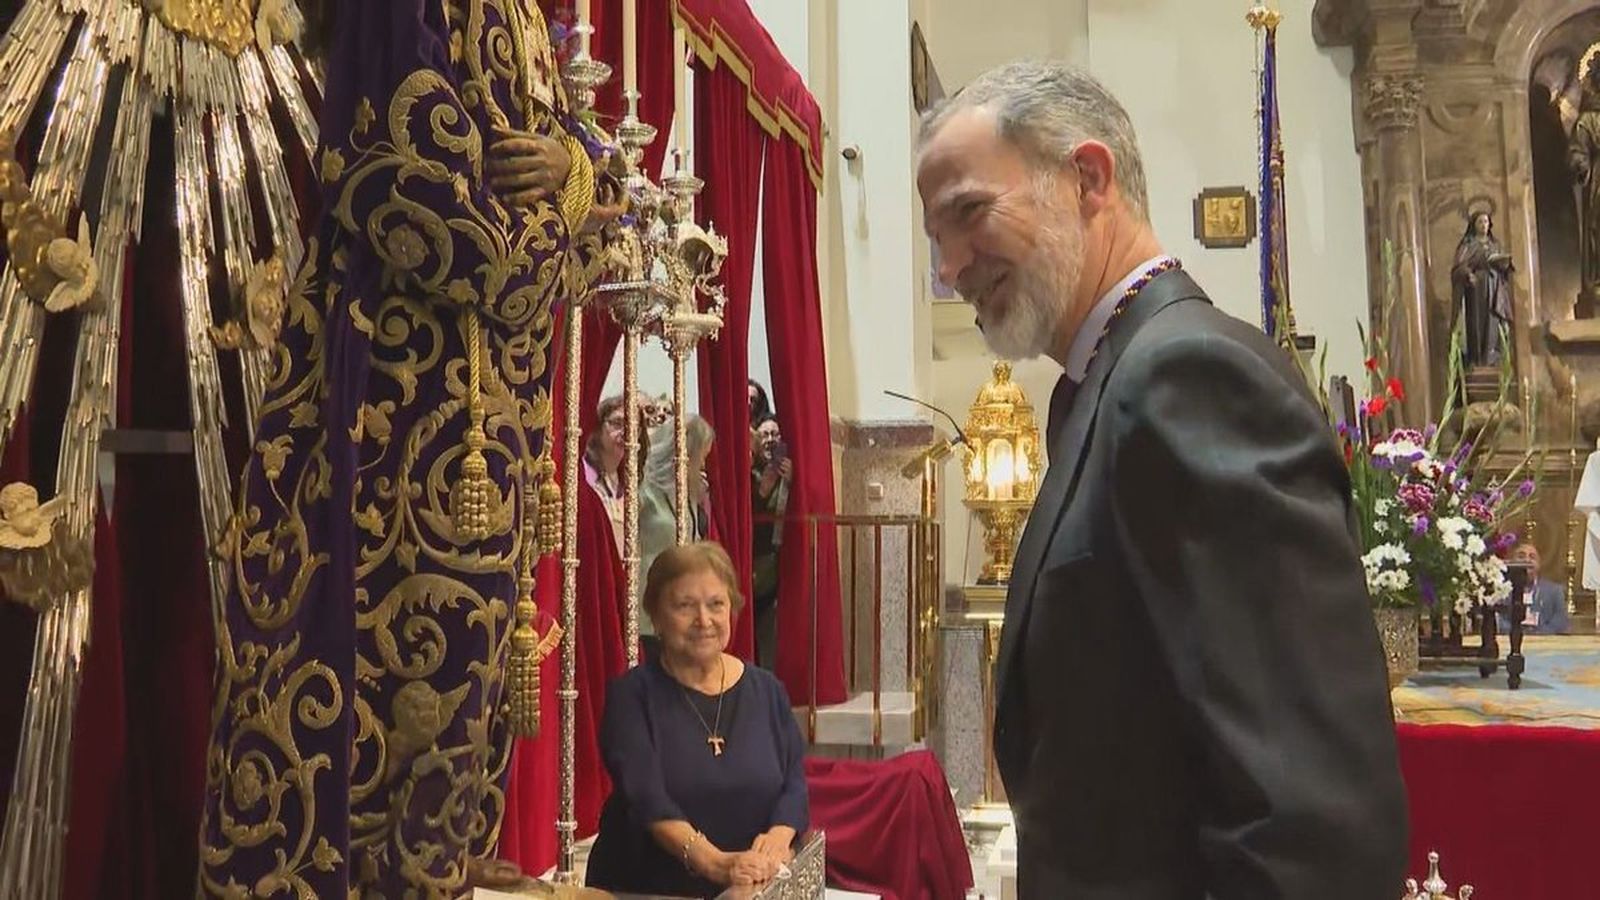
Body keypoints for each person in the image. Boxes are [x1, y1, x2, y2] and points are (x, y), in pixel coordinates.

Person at [916, 61, 1408, 897]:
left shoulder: (1187, 376)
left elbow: (1306, 816)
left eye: (969, 214)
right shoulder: (1107, 382)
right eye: (937, 238)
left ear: (1088, 178)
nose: (951, 266)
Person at [197, 1, 625, 895]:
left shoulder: (515, 15)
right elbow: (438, 222)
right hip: (395, 429)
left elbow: (605, 203)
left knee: (459, 744)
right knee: (388, 732)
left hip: (485, 438)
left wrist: (577, 176)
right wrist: (572, 211)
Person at [585, 542, 808, 897]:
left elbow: (794, 784)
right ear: (656, 616)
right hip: (648, 888)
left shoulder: (768, 691)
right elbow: (648, 800)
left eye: (716, 604)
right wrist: (718, 864)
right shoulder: (631, 697)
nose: (703, 621)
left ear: (732, 609)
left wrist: (776, 844)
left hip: (754, 887)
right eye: (685, 606)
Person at [750, 416, 791, 665]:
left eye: (774, 435)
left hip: (778, 565)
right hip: (754, 563)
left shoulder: (789, 474)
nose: (769, 441)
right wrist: (762, 490)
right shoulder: (752, 474)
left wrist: (790, 481)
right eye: (764, 435)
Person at [1451, 210, 1514, 368]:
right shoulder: (1468, 244)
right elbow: (1458, 268)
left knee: (1493, 324)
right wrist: (1468, 274)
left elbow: (1504, 268)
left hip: (1494, 288)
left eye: (1486, 221)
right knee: (1476, 324)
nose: (1484, 225)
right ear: (1474, 224)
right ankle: (1477, 359)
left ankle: (1491, 358)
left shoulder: (1495, 245)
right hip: (1476, 290)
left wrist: (1504, 265)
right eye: (1480, 221)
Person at [1509, 543, 1570, 634]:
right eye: (1521, 556)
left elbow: (1560, 620)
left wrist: (1539, 633)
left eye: (1532, 557)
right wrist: (1516, 632)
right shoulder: (1501, 590)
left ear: (1539, 564)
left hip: (1544, 643)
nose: (1527, 560)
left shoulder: (1555, 591)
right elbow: (1498, 619)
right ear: (1512, 562)